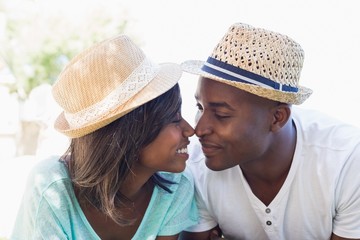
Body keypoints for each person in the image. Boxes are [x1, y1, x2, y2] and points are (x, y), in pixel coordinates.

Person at [180, 22, 360, 240]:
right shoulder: (196, 168)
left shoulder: (346, 161)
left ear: (277, 118)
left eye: (222, 115)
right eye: (200, 108)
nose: (198, 129)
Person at [11, 35, 198, 239]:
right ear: (131, 132)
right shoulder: (51, 188)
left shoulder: (177, 186)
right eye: (174, 118)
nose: (190, 130)